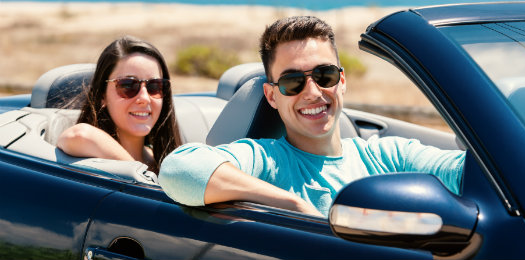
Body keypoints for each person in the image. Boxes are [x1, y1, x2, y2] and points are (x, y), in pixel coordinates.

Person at [159, 16, 465, 216]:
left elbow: (477, 173)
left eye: (324, 75)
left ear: (342, 81)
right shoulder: (267, 160)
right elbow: (180, 169)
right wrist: (290, 203)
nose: (313, 92)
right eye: (293, 82)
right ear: (271, 96)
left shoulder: (390, 155)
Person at [57, 35, 182, 173]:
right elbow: (78, 135)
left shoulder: (166, 163)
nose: (144, 98)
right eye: (128, 86)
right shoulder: (90, 151)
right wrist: (141, 178)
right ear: (102, 96)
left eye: (155, 86)